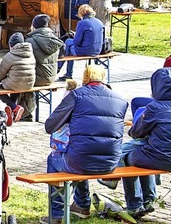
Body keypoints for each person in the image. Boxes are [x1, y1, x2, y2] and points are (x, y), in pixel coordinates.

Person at [40, 65, 128, 224]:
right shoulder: (120, 100)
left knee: (55, 159)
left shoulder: (76, 96)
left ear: (85, 78)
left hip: (79, 160)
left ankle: (56, 215)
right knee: (80, 154)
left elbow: (50, 126)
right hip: (110, 163)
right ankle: (82, 205)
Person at [119, 68, 171, 218]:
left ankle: (134, 205)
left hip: (162, 158)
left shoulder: (155, 107)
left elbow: (136, 133)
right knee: (144, 153)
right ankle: (149, 200)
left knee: (128, 157)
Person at [0, 32, 35, 126]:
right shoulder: (30, 53)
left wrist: (6, 78)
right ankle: (12, 111)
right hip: (29, 83)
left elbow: (0, 75)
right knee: (16, 85)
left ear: (11, 45)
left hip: (15, 83)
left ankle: (14, 107)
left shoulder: (10, 55)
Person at [57, 5, 104, 81]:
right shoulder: (100, 22)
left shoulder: (82, 23)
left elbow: (77, 41)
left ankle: (61, 69)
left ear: (81, 13)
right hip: (98, 50)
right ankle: (65, 72)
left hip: (86, 51)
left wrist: (75, 35)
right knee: (69, 45)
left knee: (68, 43)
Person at [26, 14, 63, 86]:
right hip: (52, 78)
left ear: (33, 26)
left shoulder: (29, 41)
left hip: (35, 79)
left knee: (15, 78)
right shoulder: (54, 39)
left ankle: (28, 97)